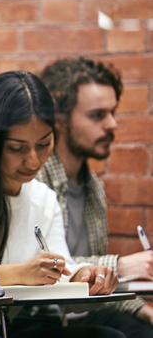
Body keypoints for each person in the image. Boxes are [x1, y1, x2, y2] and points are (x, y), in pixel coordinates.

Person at [0, 71, 124, 338]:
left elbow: (62, 267)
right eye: (17, 148)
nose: (32, 161)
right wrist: (15, 273)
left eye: (43, 145)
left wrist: (83, 277)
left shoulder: (44, 198)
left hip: (21, 323)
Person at [38, 57, 153, 337]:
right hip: (43, 317)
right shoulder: (34, 182)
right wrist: (122, 264)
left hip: (90, 310)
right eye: (97, 115)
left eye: (113, 112)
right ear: (61, 120)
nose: (112, 124)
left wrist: (144, 310)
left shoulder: (94, 189)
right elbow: (37, 266)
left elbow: (102, 288)